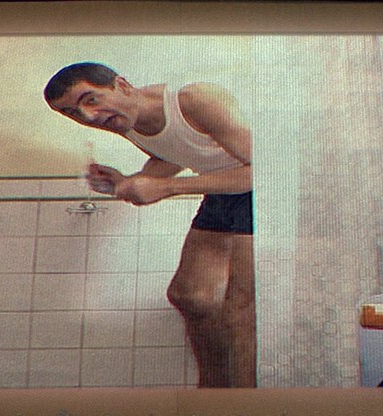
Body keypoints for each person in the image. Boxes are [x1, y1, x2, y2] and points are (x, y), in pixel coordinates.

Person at [44, 62, 255, 388]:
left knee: (240, 310)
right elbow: (171, 154)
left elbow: (266, 171)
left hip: (264, 193)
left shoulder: (196, 101)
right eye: (72, 113)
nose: (88, 116)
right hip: (225, 192)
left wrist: (167, 187)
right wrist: (128, 181)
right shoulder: (124, 122)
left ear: (123, 85)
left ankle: (248, 406)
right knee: (190, 296)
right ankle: (214, 392)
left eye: (91, 100)